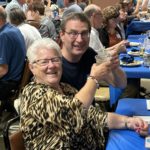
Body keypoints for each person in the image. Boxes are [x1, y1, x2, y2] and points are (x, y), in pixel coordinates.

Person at [20, 38, 148, 149]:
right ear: (32, 67)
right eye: (44, 62)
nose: (51, 65)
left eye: (55, 60)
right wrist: (94, 79)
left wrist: (128, 122)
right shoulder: (33, 93)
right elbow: (73, 115)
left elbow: (94, 116)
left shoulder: (65, 88)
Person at [60, 12, 127, 91]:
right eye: (73, 33)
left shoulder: (89, 53)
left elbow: (121, 84)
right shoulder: (54, 64)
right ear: (62, 35)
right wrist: (93, 79)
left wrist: (115, 67)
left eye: (84, 33)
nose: (79, 39)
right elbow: (68, 103)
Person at [0, 6, 26, 112]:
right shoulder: (13, 29)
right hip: (15, 79)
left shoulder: (4, 35)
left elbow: (2, 70)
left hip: (7, 83)